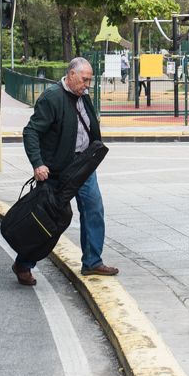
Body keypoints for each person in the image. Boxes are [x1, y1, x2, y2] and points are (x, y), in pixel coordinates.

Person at [13, 56, 115, 286]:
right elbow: (31, 132)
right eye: (84, 79)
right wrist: (38, 163)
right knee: (49, 219)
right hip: (58, 171)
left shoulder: (83, 95)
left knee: (94, 209)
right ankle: (23, 263)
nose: (87, 84)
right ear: (71, 75)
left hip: (83, 165)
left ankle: (92, 261)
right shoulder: (52, 97)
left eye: (90, 80)